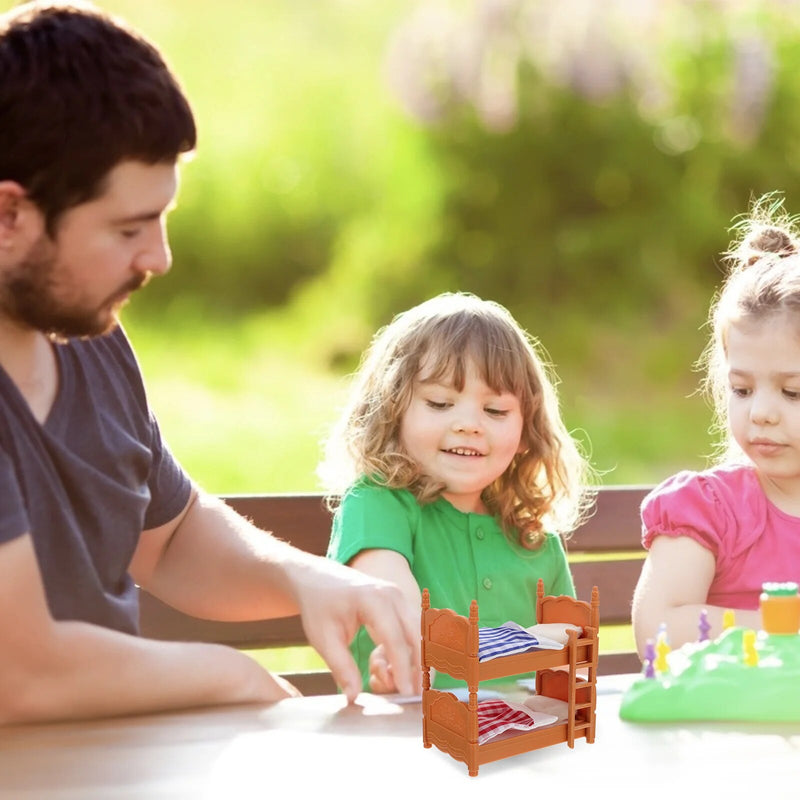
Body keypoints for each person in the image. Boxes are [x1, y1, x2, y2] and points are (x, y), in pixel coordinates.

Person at [0, 0, 419, 724]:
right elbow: (24, 674)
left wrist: (304, 580)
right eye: (128, 228)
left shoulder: (88, 336)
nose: (158, 258)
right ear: (9, 216)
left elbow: (169, 539)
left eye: (161, 220)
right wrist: (235, 677)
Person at [321, 292, 595, 692]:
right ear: (392, 410)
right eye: (440, 403)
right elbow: (397, 614)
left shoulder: (533, 537)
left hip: (517, 741)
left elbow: (572, 660)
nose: (469, 424)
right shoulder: (377, 504)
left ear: (526, 430)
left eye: (495, 411)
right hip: (401, 738)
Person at [632, 194, 800, 654]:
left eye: (792, 392)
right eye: (742, 390)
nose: (760, 412)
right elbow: (658, 628)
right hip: (722, 723)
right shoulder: (711, 510)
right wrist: (784, 628)